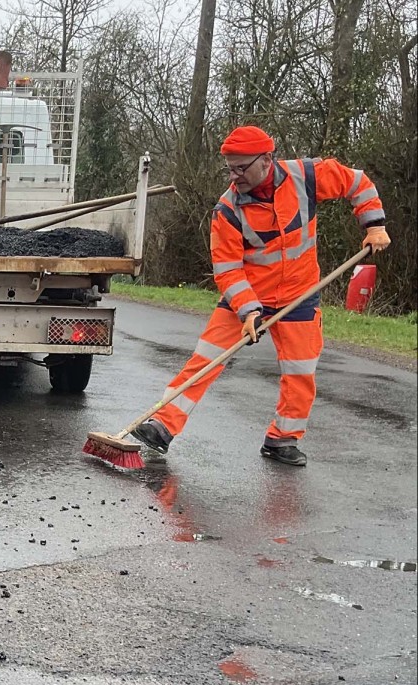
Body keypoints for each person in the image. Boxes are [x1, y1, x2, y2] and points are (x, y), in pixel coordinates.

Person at [130, 125, 389, 467]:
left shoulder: (307, 176)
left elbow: (357, 182)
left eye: (241, 168)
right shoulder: (227, 209)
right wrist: (249, 311)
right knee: (206, 358)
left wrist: (374, 224)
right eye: (230, 169)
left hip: (300, 294)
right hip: (248, 296)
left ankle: (283, 440)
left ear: (267, 159)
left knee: (300, 371)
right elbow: (227, 269)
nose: (235, 176)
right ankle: (162, 425)